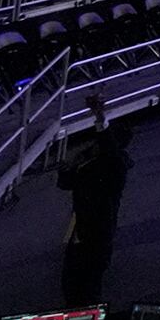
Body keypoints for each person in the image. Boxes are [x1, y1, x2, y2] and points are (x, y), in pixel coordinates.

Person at [56, 99, 132, 306]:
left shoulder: (115, 164)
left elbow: (108, 147)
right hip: (80, 229)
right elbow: (68, 184)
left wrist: (100, 117)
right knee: (70, 282)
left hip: (97, 233)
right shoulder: (90, 161)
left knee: (88, 286)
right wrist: (65, 171)